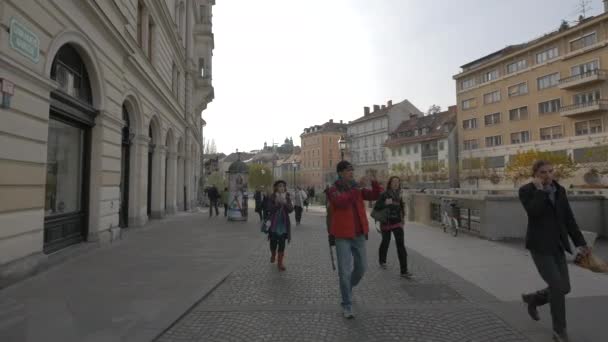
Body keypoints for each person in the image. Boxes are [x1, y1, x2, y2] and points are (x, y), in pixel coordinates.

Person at [519, 160, 590, 342]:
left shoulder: (560, 190)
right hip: (540, 246)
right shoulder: (527, 191)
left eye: (551, 171)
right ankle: (559, 331)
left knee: (564, 287)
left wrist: (581, 243)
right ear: (535, 174)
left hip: (558, 245)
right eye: (543, 172)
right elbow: (533, 212)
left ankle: (534, 299)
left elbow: (568, 219)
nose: (548, 175)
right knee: (557, 287)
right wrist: (540, 192)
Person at [327, 160, 382, 318]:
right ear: (340, 173)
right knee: (344, 272)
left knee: (362, 268)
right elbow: (341, 202)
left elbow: (375, 195)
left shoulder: (356, 189)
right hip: (342, 235)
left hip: (358, 234)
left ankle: (348, 287)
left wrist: (374, 180)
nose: (352, 173)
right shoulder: (332, 189)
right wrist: (356, 187)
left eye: (352, 170)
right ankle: (347, 304)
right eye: (348, 171)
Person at [374, 176, 412, 278]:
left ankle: (404, 271)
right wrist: (385, 203)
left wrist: (403, 218)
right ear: (390, 183)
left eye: (397, 182)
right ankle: (382, 260)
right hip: (386, 222)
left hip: (397, 222)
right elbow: (377, 206)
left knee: (401, 245)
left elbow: (401, 207)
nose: (396, 184)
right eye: (394, 182)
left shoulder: (399, 194)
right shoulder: (384, 194)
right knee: (385, 242)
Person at [264, 180, 294, 271]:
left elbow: (291, 209)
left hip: (284, 224)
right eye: (280, 186)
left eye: (283, 186)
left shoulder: (287, 197)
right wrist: (277, 204)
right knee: (273, 243)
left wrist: (285, 203)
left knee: (282, 244)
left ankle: (280, 263)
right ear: (276, 187)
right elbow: (269, 209)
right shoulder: (272, 197)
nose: (282, 188)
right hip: (274, 224)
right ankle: (273, 254)